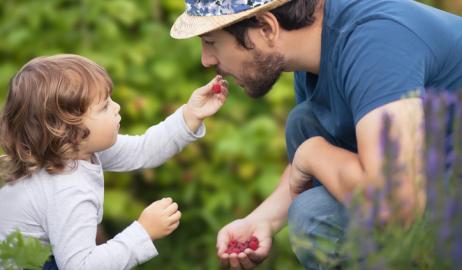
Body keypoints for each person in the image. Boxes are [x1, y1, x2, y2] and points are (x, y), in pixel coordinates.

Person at [170, 0, 462, 269]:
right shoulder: (314, 51)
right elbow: (317, 157)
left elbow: (394, 206)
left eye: (211, 43)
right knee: (306, 121)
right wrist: (262, 220)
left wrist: (310, 153)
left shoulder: (374, 41)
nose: (206, 59)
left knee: (314, 215)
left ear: (267, 28)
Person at [0, 54, 228, 269]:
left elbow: (143, 150)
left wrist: (190, 116)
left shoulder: (76, 151)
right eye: (105, 106)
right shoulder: (67, 189)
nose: (117, 107)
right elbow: (81, 267)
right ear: (68, 131)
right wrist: (143, 232)